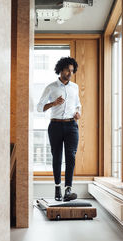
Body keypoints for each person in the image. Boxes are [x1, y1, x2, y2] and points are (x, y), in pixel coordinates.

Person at [36, 57, 81, 201]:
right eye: (68, 69)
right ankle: (57, 188)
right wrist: (53, 103)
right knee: (57, 157)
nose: (70, 73)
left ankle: (68, 189)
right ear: (61, 69)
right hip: (55, 125)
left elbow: (78, 104)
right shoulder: (51, 87)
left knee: (71, 157)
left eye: (72, 70)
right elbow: (39, 107)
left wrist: (78, 112)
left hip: (71, 125)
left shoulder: (75, 87)